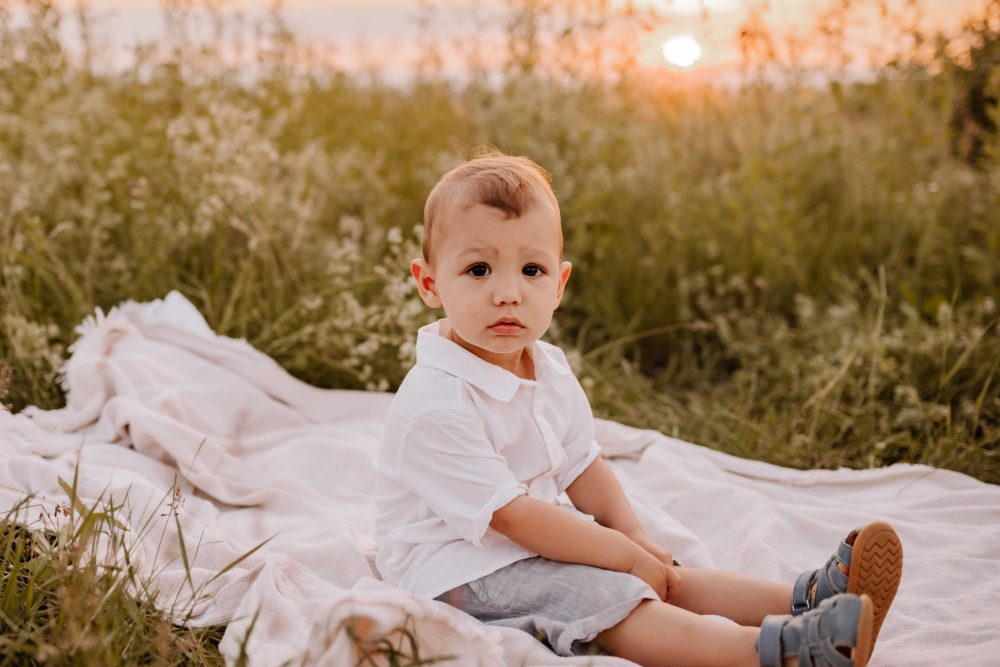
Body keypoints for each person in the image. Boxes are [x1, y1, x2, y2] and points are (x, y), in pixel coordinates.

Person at [373, 148, 903, 667]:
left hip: (528, 540)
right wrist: (620, 556)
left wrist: (634, 538)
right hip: (460, 572)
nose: (508, 293)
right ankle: (777, 652)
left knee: (666, 572)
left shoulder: (546, 365)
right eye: (479, 269)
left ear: (558, 285)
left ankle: (810, 599)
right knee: (611, 599)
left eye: (531, 270)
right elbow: (513, 516)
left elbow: (582, 463)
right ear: (429, 283)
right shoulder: (434, 403)